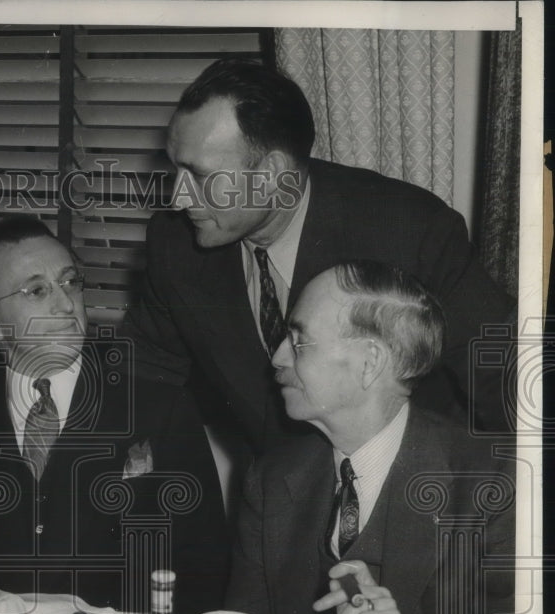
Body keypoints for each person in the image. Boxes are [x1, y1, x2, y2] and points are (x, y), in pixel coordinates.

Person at [124, 59, 514, 457]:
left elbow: (506, 374)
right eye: (175, 170)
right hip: (277, 501)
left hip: (412, 488)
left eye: (200, 176)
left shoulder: (409, 230)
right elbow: (147, 369)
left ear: (271, 174)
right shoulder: (174, 243)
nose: (178, 197)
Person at [0, 215, 228, 614]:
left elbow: (204, 574)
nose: (65, 304)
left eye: (70, 282)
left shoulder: (161, 412)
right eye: (37, 290)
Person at [225, 261, 515, 614]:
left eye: (300, 341)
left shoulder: (492, 481)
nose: (278, 356)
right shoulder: (270, 480)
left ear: (369, 363)